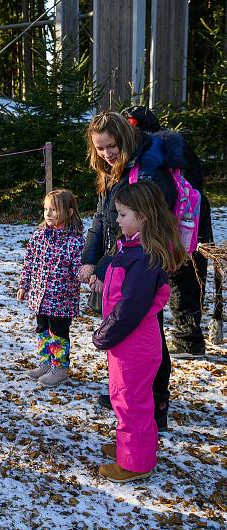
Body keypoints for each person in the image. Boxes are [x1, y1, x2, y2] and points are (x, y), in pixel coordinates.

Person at [80, 111, 177, 431]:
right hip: (119, 263)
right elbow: (101, 222)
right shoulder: (110, 174)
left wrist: (104, 267)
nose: (106, 154)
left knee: (149, 333)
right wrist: (89, 260)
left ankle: (156, 403)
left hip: (144, 264)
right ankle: (127, 392)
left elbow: (134, 230)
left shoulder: (144, 174)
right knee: (126, 332)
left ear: (124, 138)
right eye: (100, 148)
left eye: (111, 146)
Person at [93, 180, 187, 482]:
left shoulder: (144, 255)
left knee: (131, 400)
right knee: (126, 398)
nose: (117, 220)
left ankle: (135, 462)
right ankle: (128, 446)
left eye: (122, 215)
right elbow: (122, 290)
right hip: (127, 341)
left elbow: (131, 307)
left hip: (132, 341)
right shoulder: (132, 247)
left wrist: (104, 334)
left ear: (143, 216)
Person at [122, 105, 212, 359]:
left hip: (170, 221)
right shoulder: (176, 145)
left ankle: (184, 341)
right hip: (193, 216)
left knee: (175, 276)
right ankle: (189, 336)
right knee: (190, 274)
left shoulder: (148, 152)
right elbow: (197, 179)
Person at [18, 189, 85, 387]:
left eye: (54, 209)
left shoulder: (74, 241)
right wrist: (24, 284)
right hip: (40, 296)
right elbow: (29, 261)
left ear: (69, 212)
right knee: (42, 329)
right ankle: (46, 362)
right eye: (46, 209)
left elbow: (78, 268)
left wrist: (86, 274)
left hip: (61, 299)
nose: (48, 214)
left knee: (58, 332)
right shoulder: (39, 236)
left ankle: (60, 367)